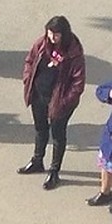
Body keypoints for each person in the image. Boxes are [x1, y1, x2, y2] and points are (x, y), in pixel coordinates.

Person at [19, 17, 86, 190]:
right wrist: (28, 79)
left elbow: (78, 83)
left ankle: (54, 171)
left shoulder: (73, 52)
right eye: (50, 33)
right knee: (40, 129)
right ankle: (37, 160)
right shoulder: (42, 43)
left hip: (60, 100)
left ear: (64, 34)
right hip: (39, 95)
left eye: (56, 34)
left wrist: (65, 101)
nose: (52, 37)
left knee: (58, 135)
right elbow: (30, 60)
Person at [90, 80, 112, 209]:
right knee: (106, 165)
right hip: (110, 137)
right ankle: (105, 192)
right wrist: (109, 93)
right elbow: (100, 90)